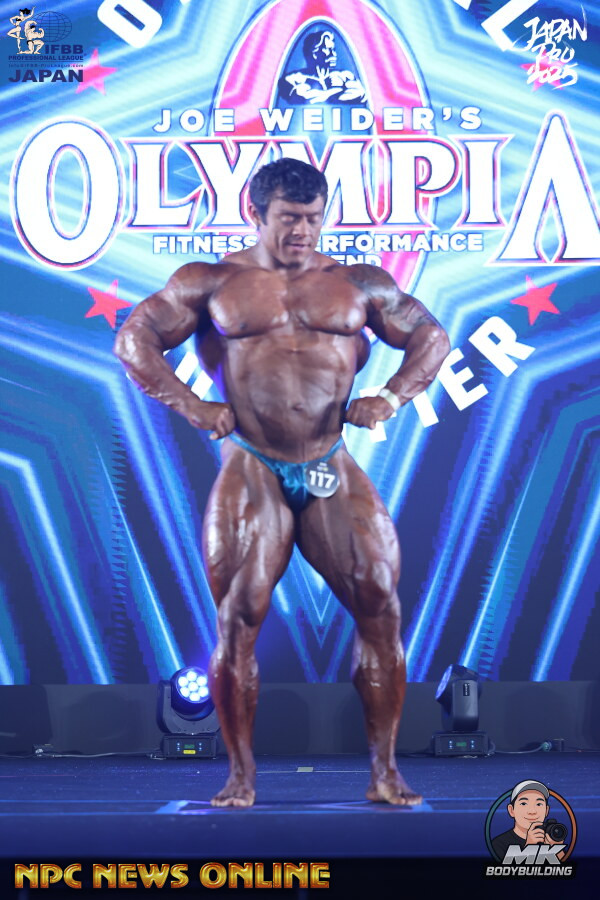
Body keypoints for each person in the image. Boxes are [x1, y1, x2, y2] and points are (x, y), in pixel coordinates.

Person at [114, 158, 450, 807]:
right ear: (255, 212)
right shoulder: (213, 282)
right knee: (238, 618)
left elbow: (430, 336)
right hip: (252, 463)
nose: (303, 231)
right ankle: (240, 777)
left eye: (314, 218)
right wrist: (192, 404)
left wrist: (391, 396)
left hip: (329, 459)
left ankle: (385, 773)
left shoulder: (355, 282)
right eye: (290, 218)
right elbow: (135, 340)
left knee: (381, 604)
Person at [492, 780, 566, 861]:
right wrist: (529, 847)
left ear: (546, 810)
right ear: (511, 810)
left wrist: (557, 850)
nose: (532, 811)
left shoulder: (551, 838)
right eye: (524, 803)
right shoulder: (498, 844)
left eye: (539, 804)